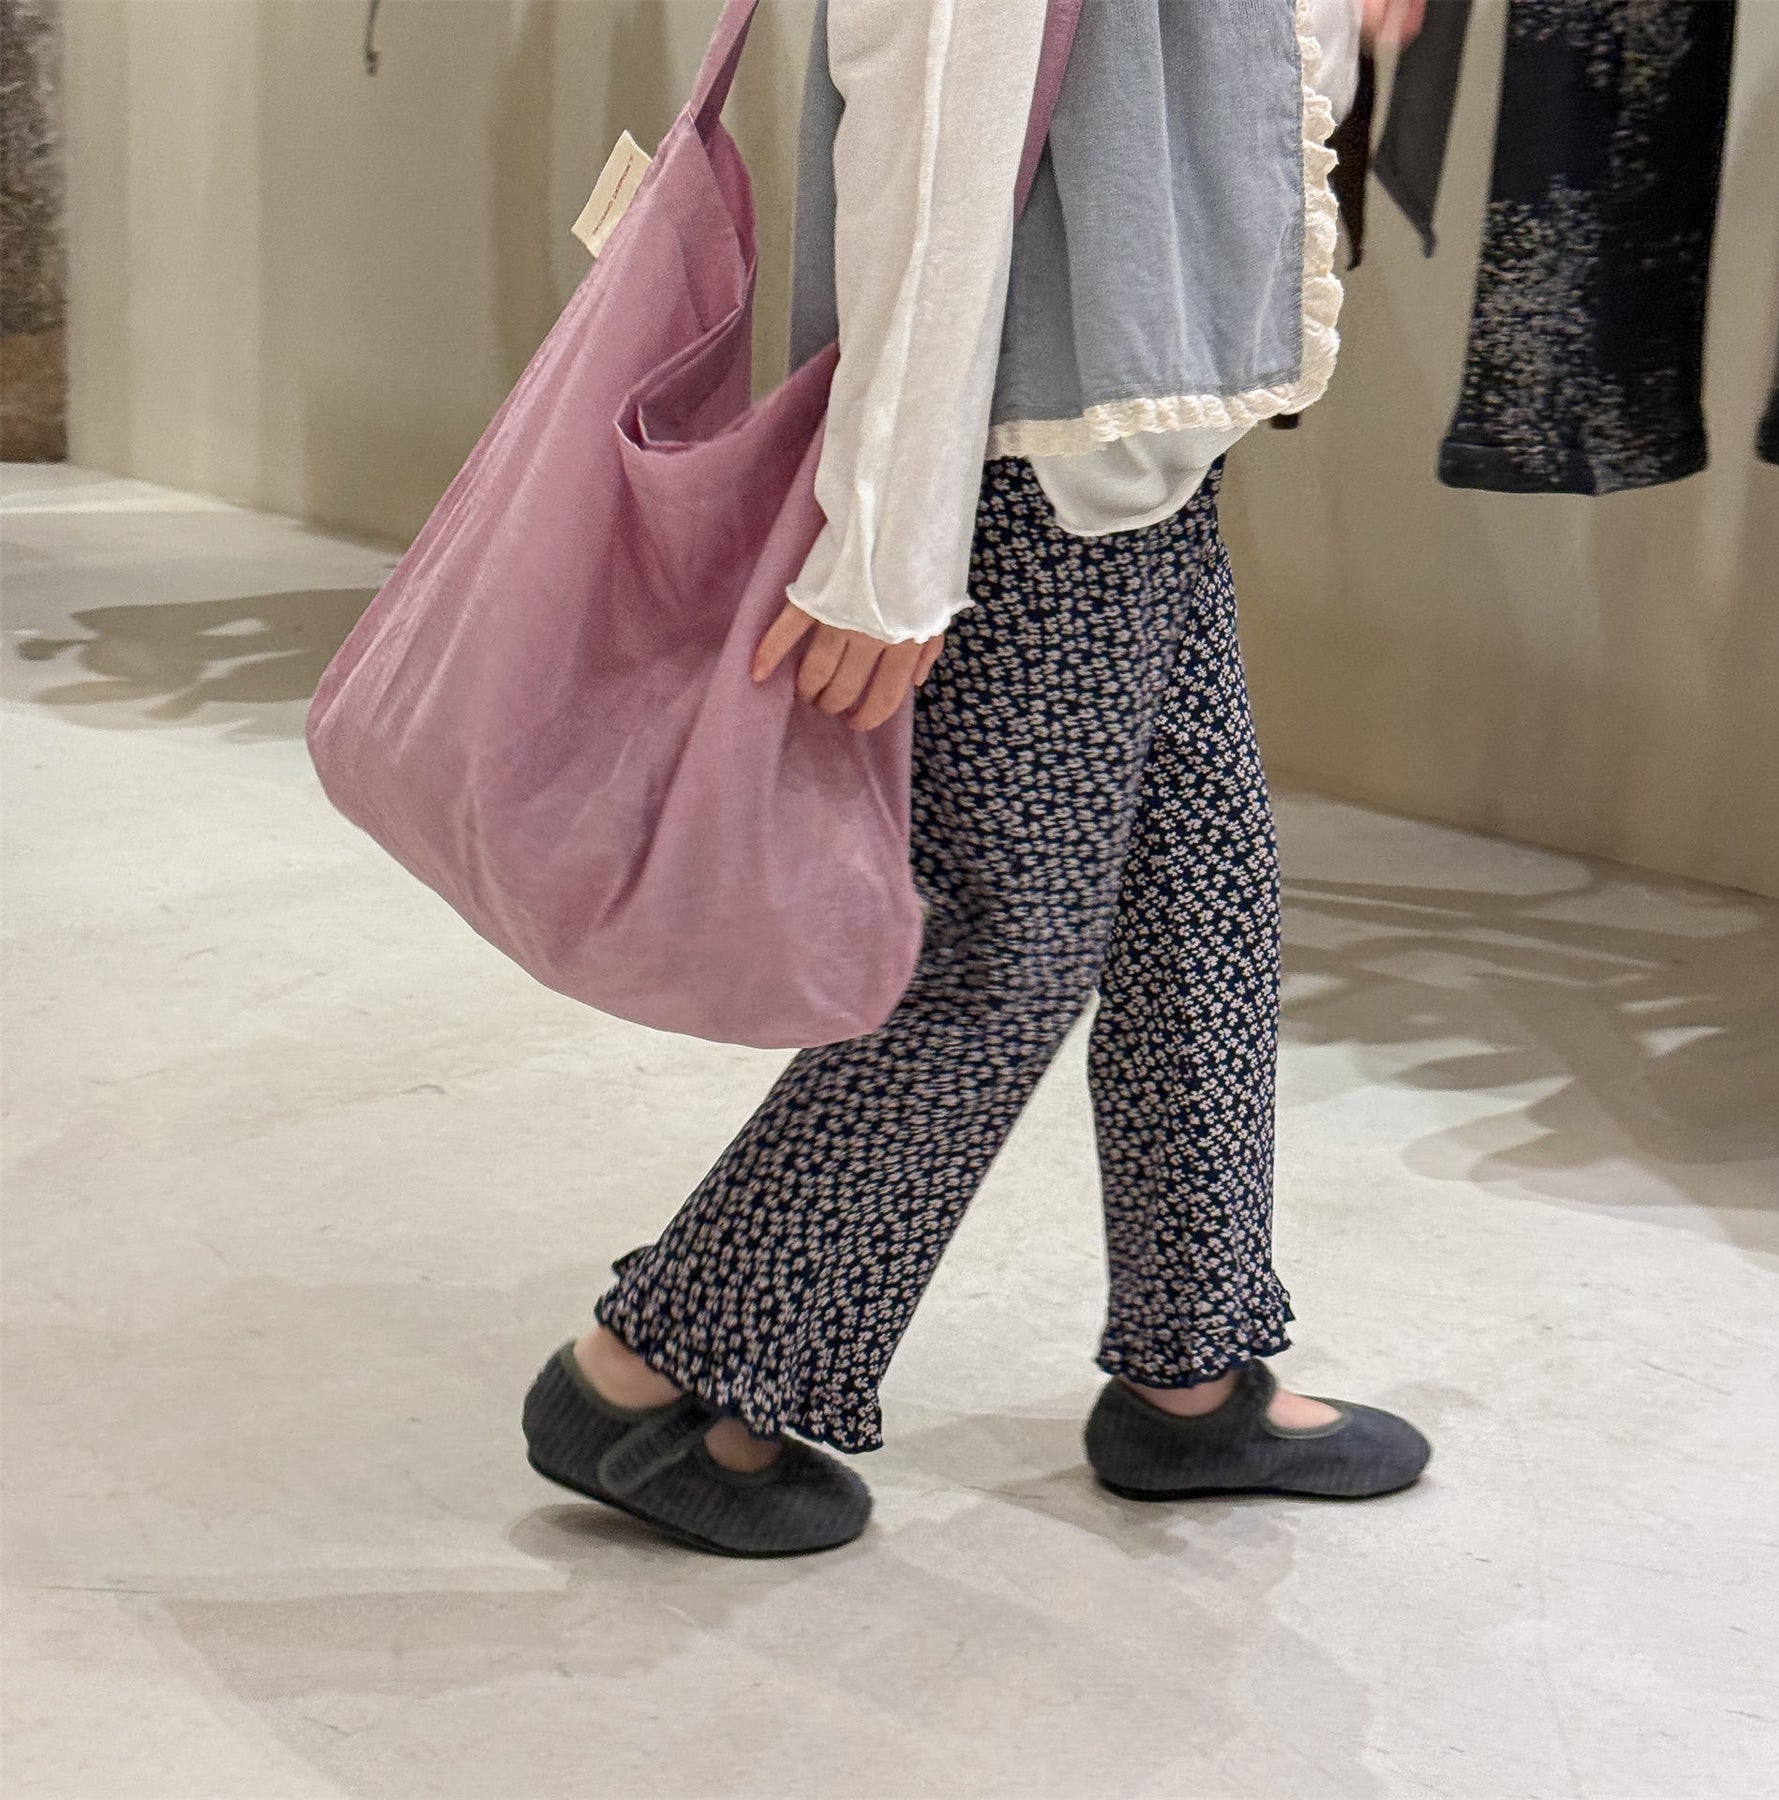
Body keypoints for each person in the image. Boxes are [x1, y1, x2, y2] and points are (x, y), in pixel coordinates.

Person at [523, 0, 1433, 1557]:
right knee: (1001, 948)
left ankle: (1194, 1369)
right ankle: (658, 1370)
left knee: (1199, 895)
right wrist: (889, 537)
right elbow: (930, 105)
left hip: (1127, 437)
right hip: (1029, 455)